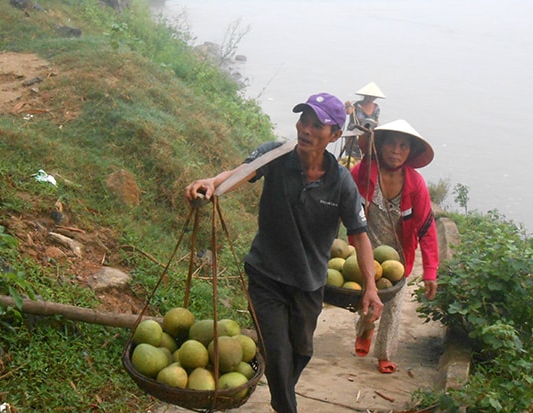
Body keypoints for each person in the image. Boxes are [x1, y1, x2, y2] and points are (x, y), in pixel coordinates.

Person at [185, 93, 384, 413]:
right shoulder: (275, 156)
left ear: (334, 135)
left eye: (316, 124)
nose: (305, 129)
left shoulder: (342, 182)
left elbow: (359, 237)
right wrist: (211, 183)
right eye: (303, 120)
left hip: (308, 283)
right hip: (266, 274)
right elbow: (240, 173)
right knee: (276, 350)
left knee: (301, 351)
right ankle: (286, 406)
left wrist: (371, 287)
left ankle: (282, 396)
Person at [349, 119, 439, 374]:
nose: (396, 150)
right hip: (365, 249)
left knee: (393, 308)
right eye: (390, 143)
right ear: (379, 145)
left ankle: (385, 354)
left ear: (410, 152)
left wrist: (430, 271)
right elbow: (343, 207)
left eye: (403, 146)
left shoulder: (415, 184)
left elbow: (426, 228)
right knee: (368, 299)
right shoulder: (362, 173)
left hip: (399, 258)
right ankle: (365, 330)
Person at [343, 82, 386, 158]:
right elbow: (348, 112)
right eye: (369, 96)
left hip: (367, 136)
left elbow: (376, 121)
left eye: (373, 97)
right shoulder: (356, 105)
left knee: (367, 156)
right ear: (365, 96)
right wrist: (347, 106)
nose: (371, 98)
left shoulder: (376, 107)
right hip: (354, 136)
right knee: (352, 157)